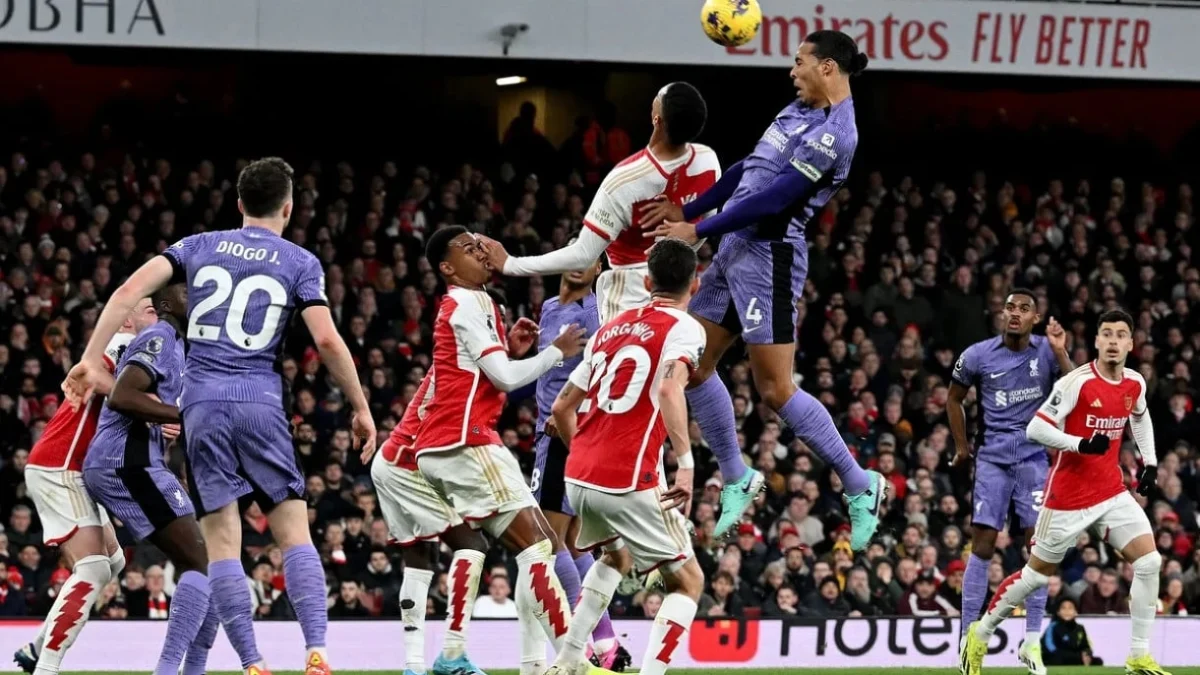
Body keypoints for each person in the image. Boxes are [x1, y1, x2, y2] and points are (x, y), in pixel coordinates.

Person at [63, 157, 376, 675]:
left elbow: (125, 294)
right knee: (294, 531)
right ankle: (316, 651)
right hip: (260, 400)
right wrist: (361, 407)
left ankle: (251, 662)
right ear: (289, 207)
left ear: (238, 205)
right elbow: (324, 338)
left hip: (201, 407)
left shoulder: (196, 246)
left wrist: (87, 356)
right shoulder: (299, 261)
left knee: (223, 541)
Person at [483, 85, 764, 539]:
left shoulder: (625, 179)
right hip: (683, 283)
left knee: (623, 404)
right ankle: (725, 477)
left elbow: (581, 255)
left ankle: (634, 521)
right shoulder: (708, 160)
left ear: (656, 117)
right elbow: (713, 212)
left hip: (631, 293)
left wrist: (511, 264)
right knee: (690, 374)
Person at [639, 30, 885, 548]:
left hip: (769, 259)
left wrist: (697, 230)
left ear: (827, 68)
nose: (791, 71)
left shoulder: (837, 134)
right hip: (734, 249)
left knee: (774, 391)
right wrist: (691, 209)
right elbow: (748, 171)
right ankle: (735, 475)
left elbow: (775, 199)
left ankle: (861, 485)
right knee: (694, 364)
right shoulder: (795, 109)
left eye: (799, 63)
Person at [415, 225, 586, 675]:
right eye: (468, 250)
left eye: (481, 245)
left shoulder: (478, 304)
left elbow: (485, 376)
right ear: (448, 268)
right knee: (540, 545)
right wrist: (556, 352)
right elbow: (507, 380)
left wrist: (510, 350)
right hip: (465, 440)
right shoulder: (466, 303)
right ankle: (572, 665)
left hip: (451, 440)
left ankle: (486, 657)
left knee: (524, 546)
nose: (481, 253)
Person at [963, 310, 1170, 675]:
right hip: (1068, 499)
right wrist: (1078, 443)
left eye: (1121, 335)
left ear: (1131, 344)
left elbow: (1139, 415)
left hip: (1110, 491)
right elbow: (1035, 429)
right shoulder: (1076, 382)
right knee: (1036, 576)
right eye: (1106, 334)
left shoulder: (1134, 382)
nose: (1113, 341)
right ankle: (981, 633)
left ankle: (1138, 655)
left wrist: (1150, 462)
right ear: (1096, 341)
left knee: (1150, 562)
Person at [547, 238, 707, 675]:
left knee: (614, 558)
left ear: (645, 280)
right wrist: (687, 465)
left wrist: (583, 452)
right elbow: (671, 387)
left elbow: (562, 407)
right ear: (694, 285)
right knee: (688, 582)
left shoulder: (607, 330)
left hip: (578, 476)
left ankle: (566, 662)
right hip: (628, 477)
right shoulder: (685, 328)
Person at [82, 282, 219, 675]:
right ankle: (171, 670)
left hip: (141, 462)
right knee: (201, 562)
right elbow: (122, 396)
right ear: (163, 304)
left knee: (211, 565)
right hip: (125, 462)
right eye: (186, 294)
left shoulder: (178, 345)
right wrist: (180, 415)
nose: (195, 299)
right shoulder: (158, 335)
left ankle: (191, 669)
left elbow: (153, 407)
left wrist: (168, 422)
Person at [15, 299, 157, 675]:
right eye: (149, 309)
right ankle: (46, 669)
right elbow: (96, 376)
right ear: (128, 317)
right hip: (59, 464)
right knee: (93, 569)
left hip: (76, 468)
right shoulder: (120, 345)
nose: (156, 314)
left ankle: (35, 648)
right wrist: (156, 409)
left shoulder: (133, 347)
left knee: (113, 561)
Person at [947, 288, 1072, 675]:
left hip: (1034, 459)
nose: (1014, 314)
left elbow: (1077, 390)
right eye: (1010, 308)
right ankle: (969, 639)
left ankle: (1031, 642)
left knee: (1038, 548)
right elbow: (954, 399)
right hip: (993, 460)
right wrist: (962, 446)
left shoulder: (1047, 351)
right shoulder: (977, 355)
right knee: (982, 544)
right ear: (1001, 314)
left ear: (1035, 317)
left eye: (1024, 309)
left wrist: (1062, 351)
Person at [528, 253, 630, 670]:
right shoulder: (549, 309)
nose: (578, 263)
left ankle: (581, 644)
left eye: (589, 259)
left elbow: (604, 374)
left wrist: (575, 416)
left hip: (563, 431)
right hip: (545, 430)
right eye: (575, 252)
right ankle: (606, 646)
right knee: (571, 542)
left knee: (547, 542)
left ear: (598, 273)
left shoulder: (594, 314)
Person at [371, 369, 489, 675]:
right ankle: (453, 655)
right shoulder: (470, 367)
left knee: (420, 558)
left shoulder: (448, 362)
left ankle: (413, 666)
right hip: (410, 466)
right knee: (473, 545)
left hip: (391, 461)